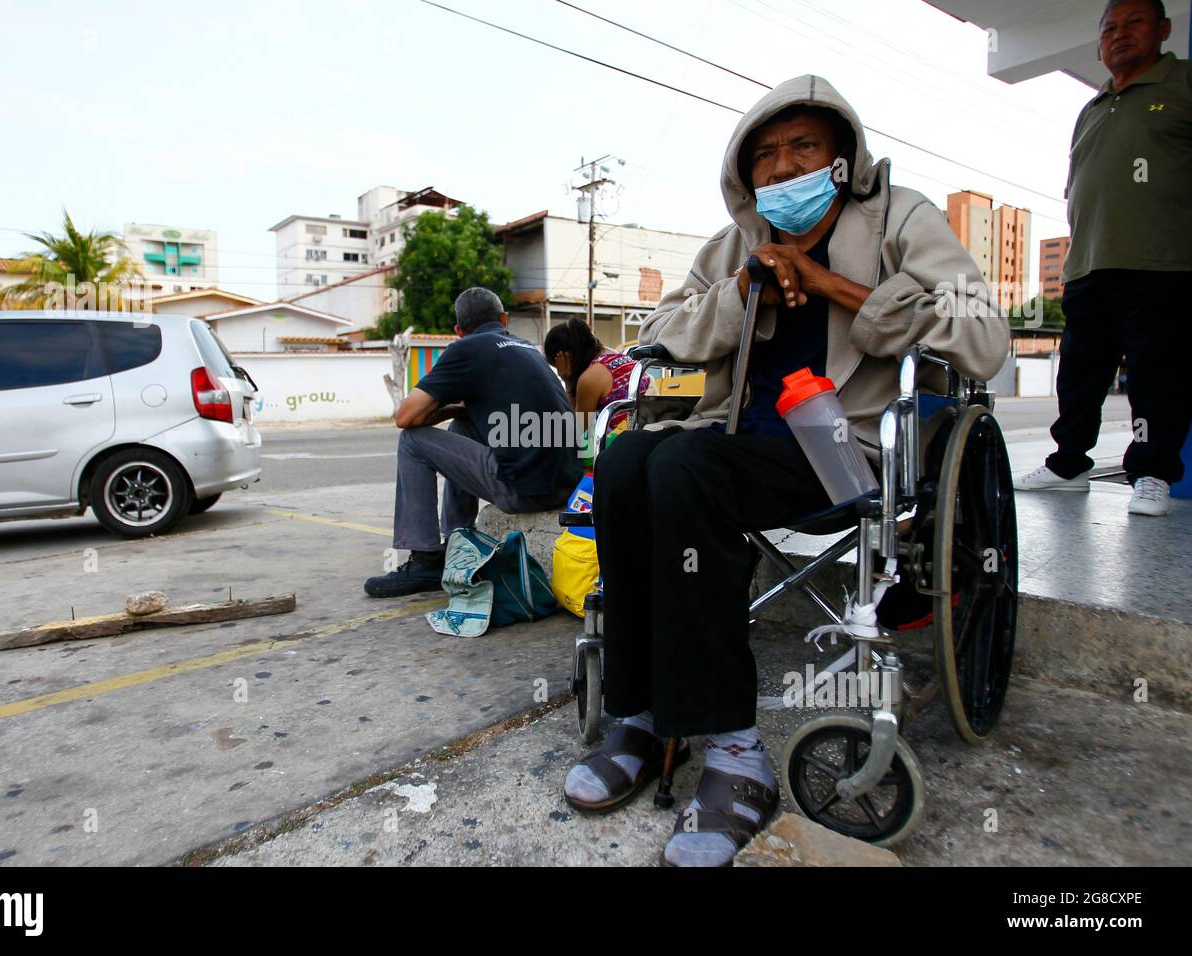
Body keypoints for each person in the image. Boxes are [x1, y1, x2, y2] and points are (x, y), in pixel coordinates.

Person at [560, 75, 1009, 866]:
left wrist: (843, 291)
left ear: (843, 156)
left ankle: (736, 753)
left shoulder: (902, 219)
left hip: (846, 454)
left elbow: (985, 338)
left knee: (687, 466)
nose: (781, 167)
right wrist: (744, 291)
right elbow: (662, 332)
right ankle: (638, 711)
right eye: (764, 154)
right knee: (631, 457)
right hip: (737, 441)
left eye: (803, 146)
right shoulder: (734, 242)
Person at [1014, 0, 1191, 516]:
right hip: (1089, 265)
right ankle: (1069, 464)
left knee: (1155, 375)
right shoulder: (1092, 107)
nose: (1119, 35)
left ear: (1162, 29)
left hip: (1162, 264)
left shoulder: (1182, 84)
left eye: (1133, 23)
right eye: (1109, 28)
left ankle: (1153, 472)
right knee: (1079, 373)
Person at [363, 288, 583, 598]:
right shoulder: (526, 349)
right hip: (564, 484)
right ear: (504, 320)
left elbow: (406, 416)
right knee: (462, 426)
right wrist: (464, 410)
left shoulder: (466, 350)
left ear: (458, 331)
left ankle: (426, 561)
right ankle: (458, 542)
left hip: (524, 490)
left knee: (412, 440)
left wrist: (450, 406)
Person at [543, 317, 649, 434]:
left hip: (624, 440)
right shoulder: (613, 354)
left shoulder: (589, 379)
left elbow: (576, 430)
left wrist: (567, 380)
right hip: (646, 425)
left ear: (565, 358)